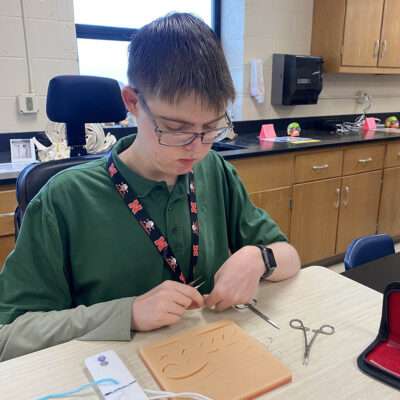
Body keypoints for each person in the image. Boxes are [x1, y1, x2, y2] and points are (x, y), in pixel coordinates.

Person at [0, 13, 300, 361]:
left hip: (209, 356)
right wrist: (128, 313)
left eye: (211, 128)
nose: (196, 148)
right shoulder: (64, 199)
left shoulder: (212, 169)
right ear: (131, 103)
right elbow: (10, 335)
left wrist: (258, 257)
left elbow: (290, 256)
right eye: (175, 128)